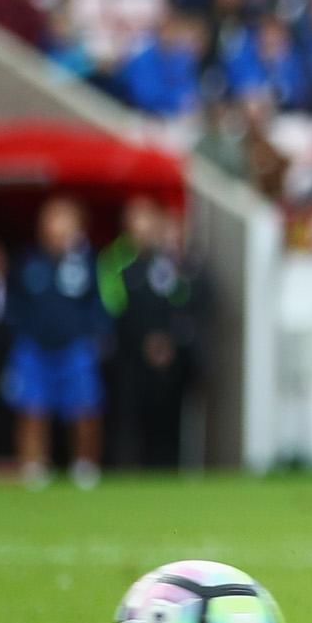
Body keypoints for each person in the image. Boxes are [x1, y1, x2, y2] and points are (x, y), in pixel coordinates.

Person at [3, 196, 109, 488]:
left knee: (85, 408)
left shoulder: (86, 261)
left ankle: (85, 466)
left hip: (75, 347)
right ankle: (34, 466)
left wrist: (94, 334)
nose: (57, 225)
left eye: (64, 218)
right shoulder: (28, 260)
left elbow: (99, 304)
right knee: (32, 408)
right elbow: (14, 303)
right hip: (34, 347)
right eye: (52, 218)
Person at [99, 198, 201, 470]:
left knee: (166, 421)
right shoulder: (115, 260)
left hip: (167, 357)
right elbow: (113, 305)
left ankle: (167, 471)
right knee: (128, 419)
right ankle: (125, 472)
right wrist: (144, 338)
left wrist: (167, 339)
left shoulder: (169, 261)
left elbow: (184, 300)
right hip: (129, 355)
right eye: (137, 221)